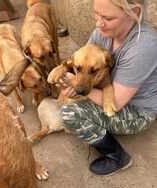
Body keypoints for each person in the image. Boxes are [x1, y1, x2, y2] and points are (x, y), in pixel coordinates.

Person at [58, 0, 157, 175]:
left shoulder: (143, 46)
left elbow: (116, 103)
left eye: (107, 17)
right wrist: (70, 80)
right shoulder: (102, 32)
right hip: (110, 93)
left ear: (133, 11)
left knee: (70, 113)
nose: (98, 22)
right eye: (96, 13)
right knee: (71, 98)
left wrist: (77, 87)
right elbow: (83, 63)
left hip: (137, 111)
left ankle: (117, 156)